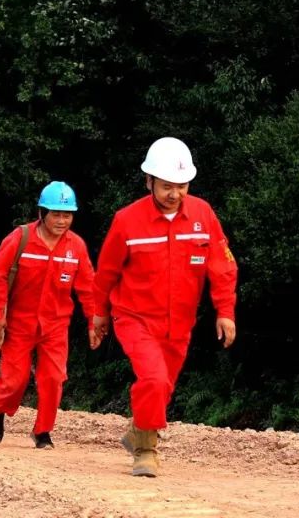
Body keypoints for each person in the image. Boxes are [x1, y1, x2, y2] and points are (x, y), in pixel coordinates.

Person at [93, 137, 238, 477]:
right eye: (167, 187)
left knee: (163, 387)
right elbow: (106, 272)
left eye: (182, 186)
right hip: (134, 317)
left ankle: (137, 430)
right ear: (149, 182)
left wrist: (226, 312)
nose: (174, 194)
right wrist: (99, 313)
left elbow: (222, 267)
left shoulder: (203, 215)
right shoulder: (127, 221)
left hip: (180, 321)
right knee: (154, 380)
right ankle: (146, 450)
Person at [0, 181, 96, 449]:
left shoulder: (76, 247)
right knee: (14, 379)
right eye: (56, 214)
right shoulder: (20, 238)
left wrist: (94, 321)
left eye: (67, 215)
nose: (61, 220)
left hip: (56, 325)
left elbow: (89, 288)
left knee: (54, 379)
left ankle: (42, 431)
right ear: (42, 213)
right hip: (20, 323)